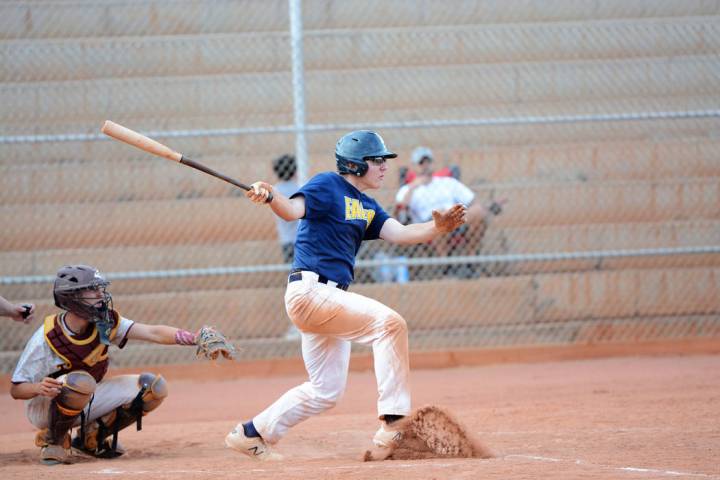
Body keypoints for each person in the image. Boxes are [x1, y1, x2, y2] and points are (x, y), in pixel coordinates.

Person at [225, 130, 466, 461]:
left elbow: (402, 233)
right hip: (310, 291)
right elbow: (292, 210)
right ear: (355, 164)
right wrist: (270, 196)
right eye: (377, 160)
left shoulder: (367, 205)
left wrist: (437, 228)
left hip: (328, 299)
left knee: (325, 391)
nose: (384, 167)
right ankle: (395, 423)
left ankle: (251, 433)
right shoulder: (327, 184)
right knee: (390, 324)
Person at [10, 264, 231, 465]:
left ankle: (91, 438)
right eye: (93, 290)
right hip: (45, 405)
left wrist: (193, 338)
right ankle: (54, 441)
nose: (101, 295)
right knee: (81, 381)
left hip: (86, 392)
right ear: (72, 298)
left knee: (152, 387)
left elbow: (152, 332)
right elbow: (16, 389)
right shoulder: (47, 337)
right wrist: (38, 387)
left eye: (100, 289)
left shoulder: (104, 322)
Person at [395, 146, 502, 276]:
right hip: (430, 224)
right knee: (441, 214)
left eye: (428, 162)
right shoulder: (407, 189)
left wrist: (489, 206)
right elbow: (401, 212)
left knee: (478, 211)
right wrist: (414, 186)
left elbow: (473, 202)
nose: (425, 166)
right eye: (421, 163)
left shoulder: (447, 182)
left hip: (456, 218)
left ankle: (471, 260)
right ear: (414, 166)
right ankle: (445, 263)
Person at [271, 154, 300, 264]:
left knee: (292, 274)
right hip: (303, 239)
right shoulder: (300, 188)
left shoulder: (275, 190)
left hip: (286, 240)